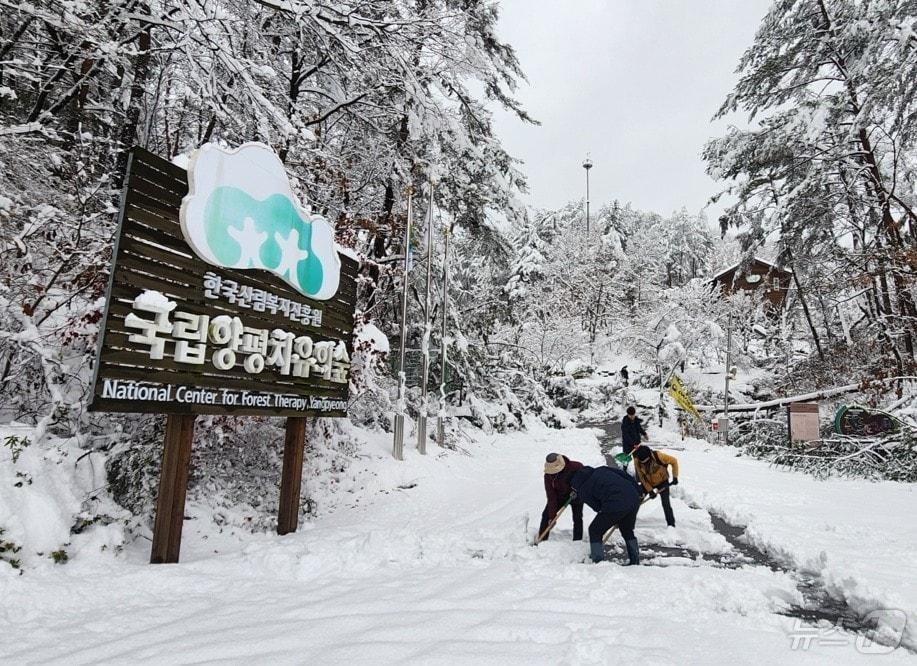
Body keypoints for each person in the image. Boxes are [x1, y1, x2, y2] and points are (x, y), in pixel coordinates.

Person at [570, 465, 642, 565]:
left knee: (594, 530)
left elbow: (597, 507)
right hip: (634, 497)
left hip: (616, 503)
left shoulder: (582, 490)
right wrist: (638, 491)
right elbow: (624, 475)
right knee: (627, 530)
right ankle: (635, 560)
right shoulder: (601, 469)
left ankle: (598, 562)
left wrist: (613, 515)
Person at [537, 453, 584, 542]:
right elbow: (551, 496)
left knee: (577, 517)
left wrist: (577, 490)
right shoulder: (548, 476)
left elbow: (585, 479)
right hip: (560, 497)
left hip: (576, 495)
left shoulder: (576, 467)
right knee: (546, 515)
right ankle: (542, 540)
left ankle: (577, 541)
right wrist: (552, 516)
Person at [632, 444, 680, 528]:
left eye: (646, 461)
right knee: (636, 500)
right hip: (648, 482)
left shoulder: (659, 456)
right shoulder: (637, 461)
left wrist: (675, 477)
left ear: (650, 456)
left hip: (662, 481)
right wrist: (650, 490)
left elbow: (674, 461)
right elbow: (642, 477)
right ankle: (627, 521)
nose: (645, 463)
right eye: (643, 462)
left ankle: (671, 525)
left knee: (666, 504)